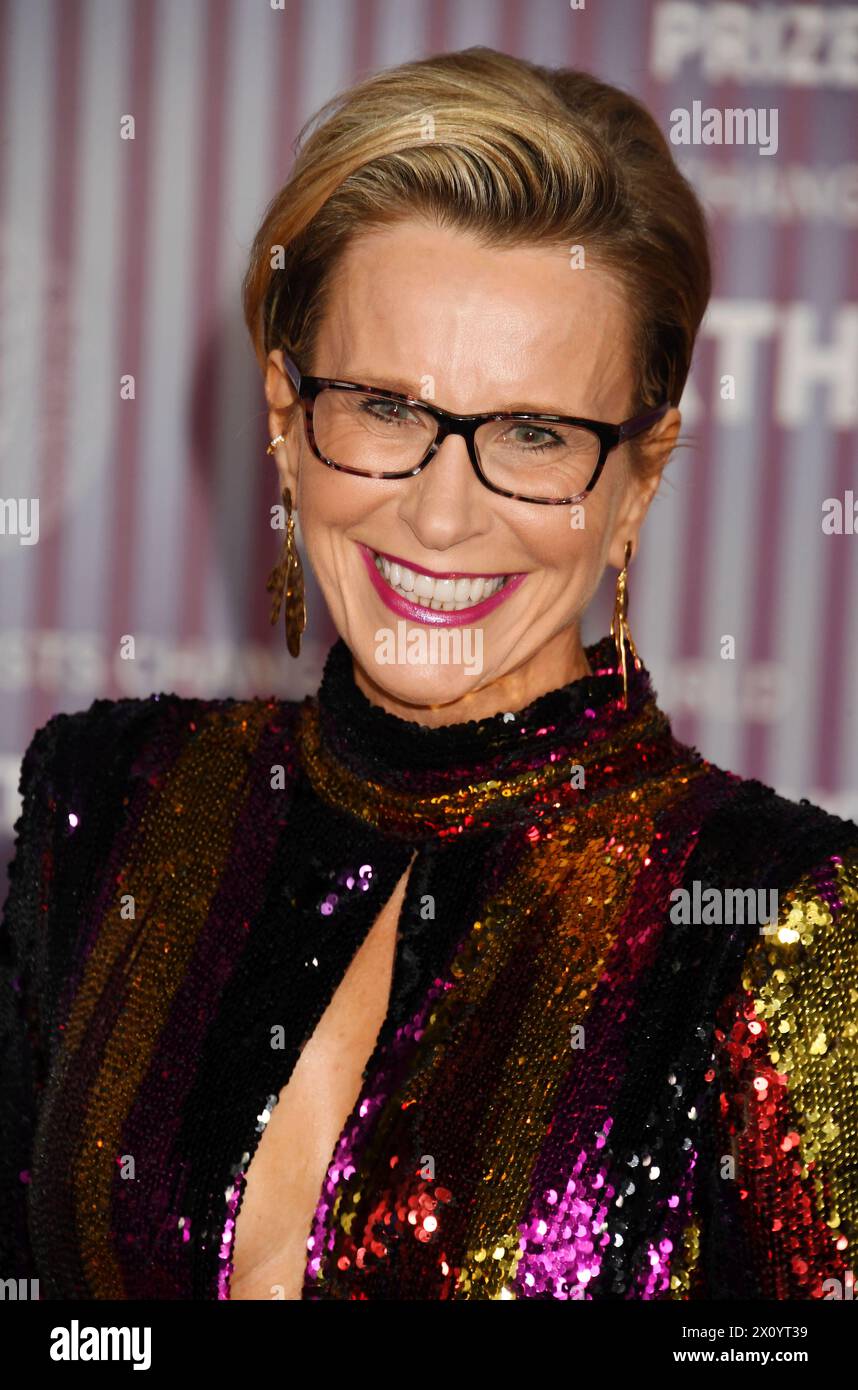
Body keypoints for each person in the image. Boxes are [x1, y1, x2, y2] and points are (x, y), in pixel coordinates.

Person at [1, 46, 856, 1303]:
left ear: (639, 478)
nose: (442, 517)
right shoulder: (112, 795)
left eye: (532, 433)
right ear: (289, 420)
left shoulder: (788, 921)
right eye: (387, 410)